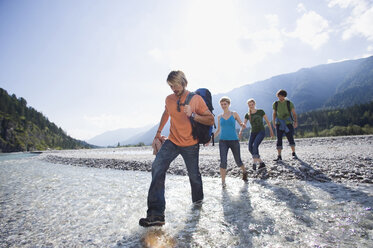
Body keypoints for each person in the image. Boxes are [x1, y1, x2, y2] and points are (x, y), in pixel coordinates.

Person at [139, 70, 214, 227]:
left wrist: (193, 115)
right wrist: (158, 132)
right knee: (157, 166)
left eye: (176, 85)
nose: (173, 88)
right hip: (172, 141)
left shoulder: (196, 99)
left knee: (194, 176)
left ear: (184, 82)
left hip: (191, 145)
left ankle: (198, 208)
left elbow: (210, 119)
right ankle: (156, 214)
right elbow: (166, 113)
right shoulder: (169, 99)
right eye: (171, 86)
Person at [213, 96, 248, 188]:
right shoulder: (219, 117)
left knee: (238, 161)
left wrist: (242, 125)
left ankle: (244, 171)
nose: (223, 106)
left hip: (234, 141)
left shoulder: (234, 114)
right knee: (223, 162)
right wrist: (210, 139)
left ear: (228, 104)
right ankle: (223, 182)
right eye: (222, 104)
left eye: (225, 104)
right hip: (223, 142)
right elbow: (218, 130)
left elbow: (240, 123)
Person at [239, 98, 274, 171]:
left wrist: (271, 131)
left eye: (252, 104)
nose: (251, 106)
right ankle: (261, 163)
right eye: (249, 105)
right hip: (253, 132)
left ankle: (254, 163)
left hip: (261, 131)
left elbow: (267, 121)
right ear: (248, 106)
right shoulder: (247, 114)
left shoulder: (261, 111)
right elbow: (244, 124)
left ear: (254, 104)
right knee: (250, 148)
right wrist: (240, 132)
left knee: (255, 145)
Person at [272, 89, 298, 161]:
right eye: (279, 96)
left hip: (288, 123)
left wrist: (295, 121)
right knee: (279, 139)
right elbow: (274, 113)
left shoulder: (289, 103)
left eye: (281, 96)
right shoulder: (275, 104)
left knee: (290, 138)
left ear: (284, 96)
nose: (280, 98)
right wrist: (273, 122)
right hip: (279, 123)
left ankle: (293, 153)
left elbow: (294, 113)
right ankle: (279, 156)